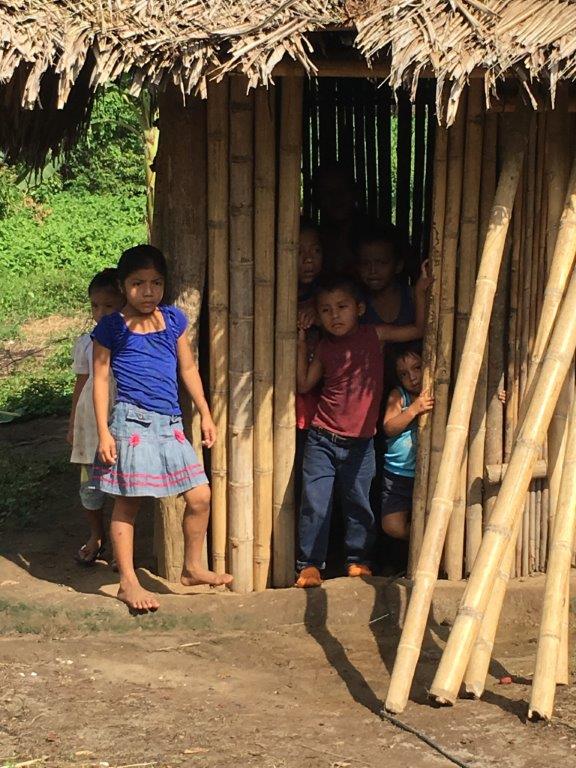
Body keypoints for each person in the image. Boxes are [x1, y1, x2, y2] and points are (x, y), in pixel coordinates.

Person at [91, 244, 232, 611]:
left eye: (155, 282)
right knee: (129, 502)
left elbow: (188, 369)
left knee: (200, 496)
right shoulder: (111, 327)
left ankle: (191, 568)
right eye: (138, 283)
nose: (148, 291)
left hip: (171, 422)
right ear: (123, 286)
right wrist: (104, 432)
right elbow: (101, 380)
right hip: (130, 422)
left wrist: (205, 412)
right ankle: (127, 581)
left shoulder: (172, 320)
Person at [295, 267, 430, 588]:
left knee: (359, 503)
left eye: (342, 307)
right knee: (315, 502)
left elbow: (418, 328)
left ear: (359, 308)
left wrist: (421, 289)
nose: (334, 316)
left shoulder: (375, 335)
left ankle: (358, 561)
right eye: (325, 310)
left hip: (362, 444)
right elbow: (303, 384)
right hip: (322, 439)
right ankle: (310, 565)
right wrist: (302, 341)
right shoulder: (325, 347)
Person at [67, 268, 123, 565]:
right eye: (95, 306)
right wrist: (73, 423)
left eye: (109, 306)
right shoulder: (85, 342)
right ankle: (96, 535)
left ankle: (119, 547)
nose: (100, 312)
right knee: (90, 487)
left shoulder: (128, 340)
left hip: (119, 421)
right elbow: (81, 382)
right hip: (90, 425)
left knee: (121, 487)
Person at [381, 343, 434, 541]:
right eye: (403, 374)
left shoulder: (440, 393)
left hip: (430, 471)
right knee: (392, 525)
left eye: (417, 368)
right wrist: (413, 410)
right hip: (397, 474)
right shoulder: (399, 396)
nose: (412, 377)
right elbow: (389, 427)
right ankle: (421, 541)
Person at [356, 221, 415, 327]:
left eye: (381, 263)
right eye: (365, 263)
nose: (372, 270)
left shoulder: (413, 298)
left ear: (398, 266)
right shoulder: (353, 302)